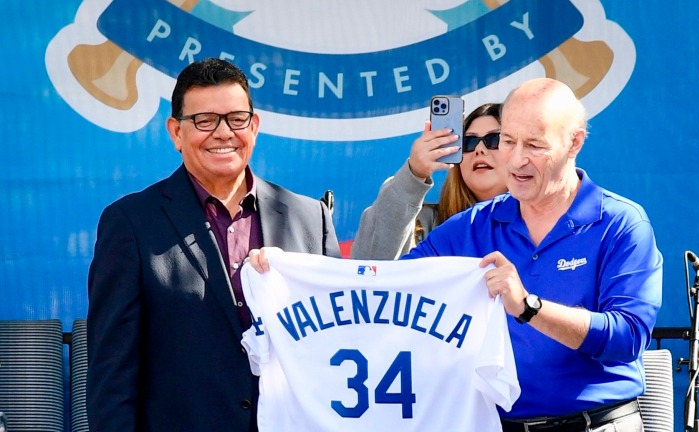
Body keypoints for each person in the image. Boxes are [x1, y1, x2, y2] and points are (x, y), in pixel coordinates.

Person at [86, 58, 340, 432]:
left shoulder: (310, 218)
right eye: (204, 120)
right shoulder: (131, 223)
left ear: (254, 126)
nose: (223, 133)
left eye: (236, 118)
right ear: (175, 132)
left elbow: (336, 343)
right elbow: (112, 375)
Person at [402, 78, 663, 431]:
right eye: (507, 141)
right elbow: (393, 287)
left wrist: (528, 306)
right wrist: (412, 176)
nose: (518, 158)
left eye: (535, 145)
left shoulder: (620, 224)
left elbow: (628, 336)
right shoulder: (473, 226)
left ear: (575, 142)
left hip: (596, 424)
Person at [351, 103, 509, 259]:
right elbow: (370, 265)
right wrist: (414, 172)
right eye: (469, 142)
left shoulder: (532, 228)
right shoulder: (423, 223)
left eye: (494, 139)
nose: (479, 149)